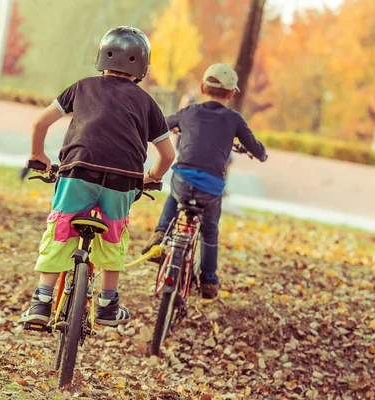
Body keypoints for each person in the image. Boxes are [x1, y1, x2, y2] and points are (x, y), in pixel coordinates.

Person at [20, 26, 175, 327]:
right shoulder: (147, 103)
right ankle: (107, 305)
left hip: (78, 170)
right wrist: (150, 177)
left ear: (102, 57)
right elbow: (168, 155)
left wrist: (38, 156)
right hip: (124, 180)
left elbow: (40, 123)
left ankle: (41, 302)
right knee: (114, 236)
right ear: (142, 66)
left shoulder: (82, 87)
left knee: (61, 230)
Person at [142, 63, 267, 299]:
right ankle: (209, 281)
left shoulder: (189, 112)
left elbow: (158, 126)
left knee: (175, 193)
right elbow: (256, 148)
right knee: (209, 232)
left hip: (182, 179)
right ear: (231, 94)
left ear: (202, 88)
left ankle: (160, 233)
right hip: (210, 188)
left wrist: (178, 129)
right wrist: (260, 153)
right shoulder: (234, 120)